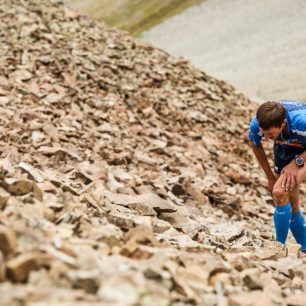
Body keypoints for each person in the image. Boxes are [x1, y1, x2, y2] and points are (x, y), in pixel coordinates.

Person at [248, 100, 306, 255]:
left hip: (303, 151)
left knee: (279, 192)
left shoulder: (302, 121)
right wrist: (270, 177)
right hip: (285, 148)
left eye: (271, 134)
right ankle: (305, 248)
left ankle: (277, 249)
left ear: (284, 123)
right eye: (263, 132)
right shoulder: (257, 125)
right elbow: (255, 144)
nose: (266, 137)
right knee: (289, 202)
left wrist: (296, 164)